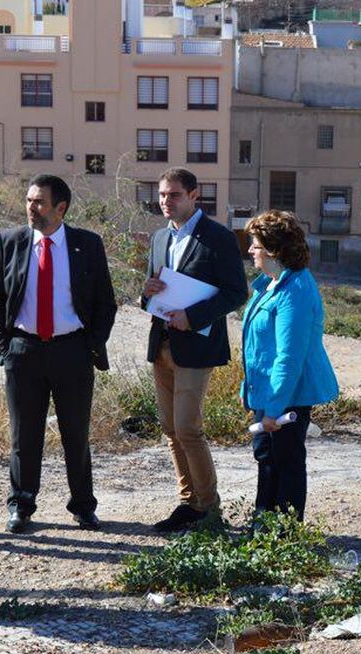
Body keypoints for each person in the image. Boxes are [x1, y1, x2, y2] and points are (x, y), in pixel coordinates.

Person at [0, 175, 117, 535]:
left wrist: (92, 343)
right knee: (23, 435)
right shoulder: (9, 242)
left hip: (72, 350)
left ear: (61, 208)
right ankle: (21, 504)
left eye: (39, 202)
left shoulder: (87, 244)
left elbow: (106, 302)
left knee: (76, 433)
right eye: (28, 200)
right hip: (24, 351)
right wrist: (4, 344)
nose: (31, 207)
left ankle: (83, 506)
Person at [141, 168, 248, 533]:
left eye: (173, 195)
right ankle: (189, 502)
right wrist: (149, 291)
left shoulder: (218, 237)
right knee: (171, 429)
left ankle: (209, 508)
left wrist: (193, 316)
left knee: (188, 428)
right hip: (163, 345)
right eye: (161, 196)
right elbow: (150, 294)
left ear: (193, 195)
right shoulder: (159, 238)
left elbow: (236, 292)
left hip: (198, 345)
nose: (165, 202)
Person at [239, 210, 339, 521]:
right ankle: (265, 525)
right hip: (270, 392)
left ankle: (283, 535)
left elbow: (289, 356)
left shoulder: (294, 290)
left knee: (285, 460)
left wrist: (274, 408)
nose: (250, 250)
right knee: (268, 457)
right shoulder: (271, 284)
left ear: (272, 249)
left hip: (287, 395)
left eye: (255, 244)